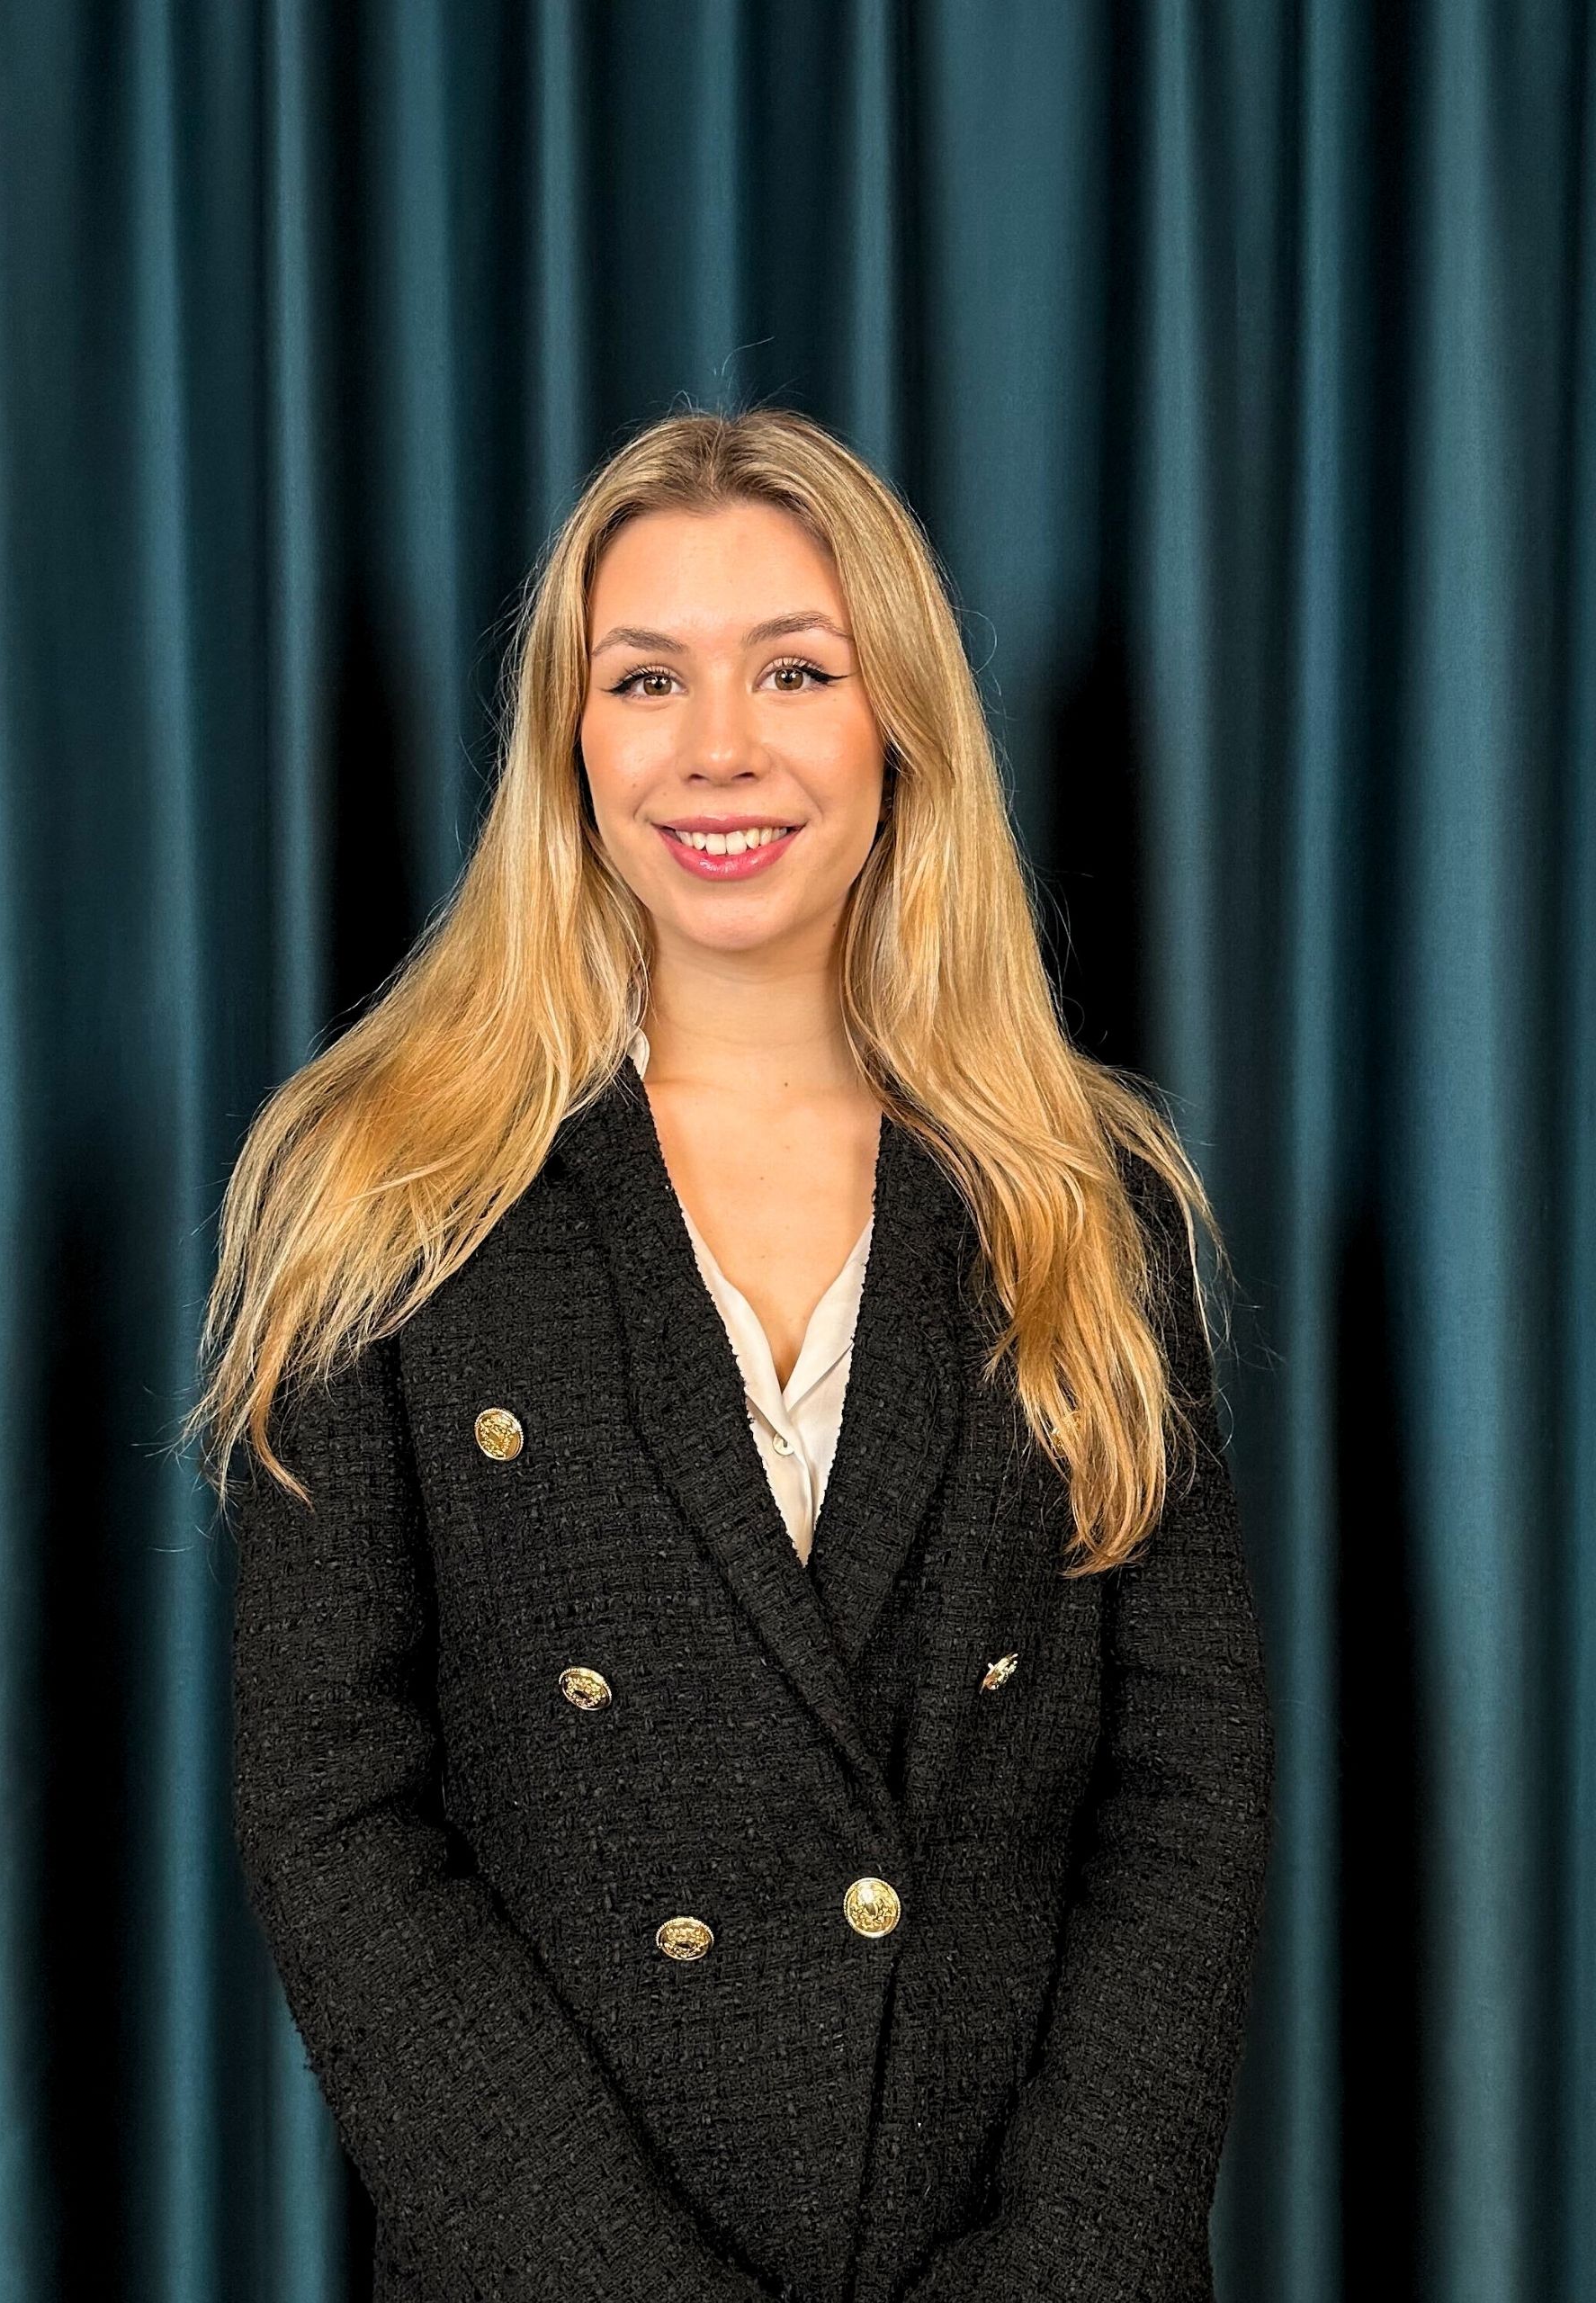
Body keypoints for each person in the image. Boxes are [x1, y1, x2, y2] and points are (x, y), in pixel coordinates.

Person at [189, 406, 1276, 2303]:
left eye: (794, 667)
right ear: (569, 742)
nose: (719, 745)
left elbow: (1187, 1782)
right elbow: (336, 1811)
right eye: (645, 677)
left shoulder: (1085, 1198)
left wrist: (1067, 2263)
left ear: (897, 730)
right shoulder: (375, 1188)